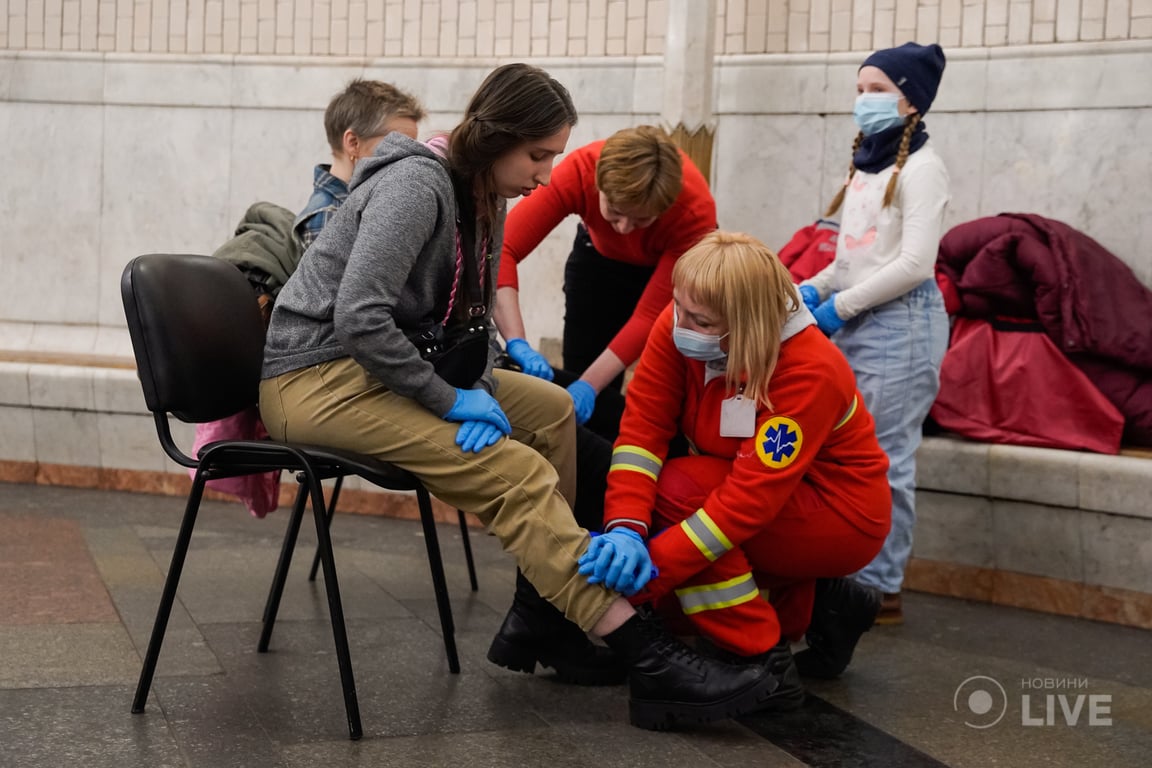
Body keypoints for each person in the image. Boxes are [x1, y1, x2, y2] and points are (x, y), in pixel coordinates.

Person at [258, 63, 783, 731]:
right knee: (516, 472)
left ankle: (543, 617)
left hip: (380, 368)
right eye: (537, 155)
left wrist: (477, 384)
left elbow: (467, 324)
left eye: (553, 157)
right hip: (314, 379)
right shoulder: (415, 186)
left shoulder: (483, 196)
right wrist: (450, 401)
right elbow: (359, 319)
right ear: (498, 137)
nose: (545, 174)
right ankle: (648, 656)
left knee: (553, 409)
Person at [581, 231, 894, 688]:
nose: (682, 325)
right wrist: (625, 528)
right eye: (679, 307)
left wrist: (643, 577)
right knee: (676, 584)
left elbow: (747, 503)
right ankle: (822, 603)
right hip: (766, 498)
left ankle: (761, 659)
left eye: (702, 321)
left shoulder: (809, 368)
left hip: (842, 515)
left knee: (679, 495)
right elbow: (640, 436)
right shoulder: (682, 321)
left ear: (749, 324)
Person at [799, 42, 951, 626]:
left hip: (901, 324)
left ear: (910, 100)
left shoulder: (923, 168)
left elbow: (914, 264)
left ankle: (880, 588)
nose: (864, 101)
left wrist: (839, 306)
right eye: (860, 89)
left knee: (886, 457)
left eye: (878, 90)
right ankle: (847, 570)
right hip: (859, 313)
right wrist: (811, 289)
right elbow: (854, 258)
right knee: (848, 450)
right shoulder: (870, 163)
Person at [493, 125, 717, 439]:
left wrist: (590, 385)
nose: (624, 228)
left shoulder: (694, 210)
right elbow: (503, 248)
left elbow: (649, 316)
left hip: (662, 268)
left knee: (657, 380)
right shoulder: (581, 170)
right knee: (580, 367)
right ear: (598, 185)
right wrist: (516, 340)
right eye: (615, 212)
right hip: (596, 258)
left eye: (641, 220)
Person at [295, 79, 426, 250]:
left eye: (412, 146)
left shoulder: (366, 200)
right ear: (353, 143)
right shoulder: (328, 218)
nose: (409, 157)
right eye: (397, 145)